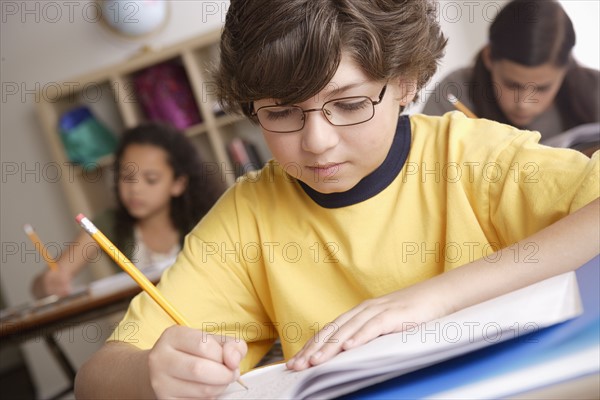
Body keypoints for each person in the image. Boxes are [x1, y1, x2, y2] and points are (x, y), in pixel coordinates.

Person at [75, 1, 599, 398]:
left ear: (405, 81)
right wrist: (153, 375)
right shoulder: (248, 218)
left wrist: (432, 299)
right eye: (280, 114)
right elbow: (95, 380)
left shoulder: (472, 157)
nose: (317, 141)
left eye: (348, 104)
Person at [31, 122, 222, 299]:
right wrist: (47, 284)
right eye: (126, 177)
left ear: (178, 184)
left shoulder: (206, 220)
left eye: (151, 179)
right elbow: (47, 281)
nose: (135, 189)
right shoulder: (107, 224)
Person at [422, 0, 600, 143]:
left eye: (542, 88)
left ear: (566, 69)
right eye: (512, 84)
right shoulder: (455, 93)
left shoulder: (595, 91)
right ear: (489, 57)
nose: (524, 103)